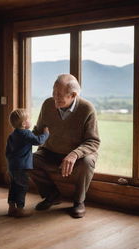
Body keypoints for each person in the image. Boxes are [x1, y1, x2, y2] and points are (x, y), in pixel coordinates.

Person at [30, 74, 100, 218]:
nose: (54, 98)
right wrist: (22, 141)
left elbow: (93, 141)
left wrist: (75, 154)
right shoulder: (48, 104)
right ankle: (52, 195)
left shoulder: (87, 108)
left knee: (88, 162)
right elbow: (38, 130)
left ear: (73, 95)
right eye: (53, 92)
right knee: (26, 159)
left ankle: (79, 202)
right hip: (50, 151)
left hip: (78, 156)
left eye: (59, 95)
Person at [6, 108, 49, 218]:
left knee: (14, 186)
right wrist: (46, 134)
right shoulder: (26, 134)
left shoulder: (12, 135)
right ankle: (20, 209)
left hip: (12, 166)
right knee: (22, 187)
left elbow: (7, 152)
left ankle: (11, 208)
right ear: (24, 123)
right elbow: (38, 141)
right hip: (22, 167)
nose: (30, 121)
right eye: (29, 119)